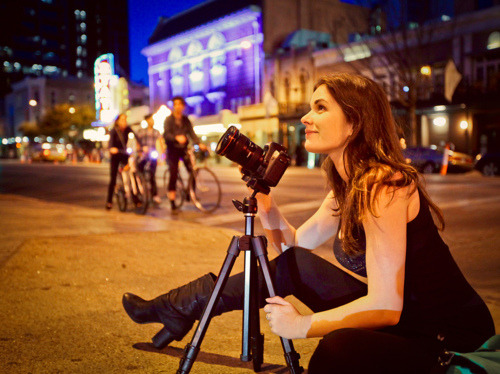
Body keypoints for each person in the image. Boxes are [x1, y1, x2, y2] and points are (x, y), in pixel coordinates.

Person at [122, 73, 495, 372]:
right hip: (405, 318)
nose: (305, 118)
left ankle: (178, 309)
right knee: (296, 266)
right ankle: (179, 306)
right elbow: (292, 250)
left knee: (337, 349)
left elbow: (385, 304)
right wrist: (265, 199)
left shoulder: (384, 184)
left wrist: (301, 326)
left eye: (320, 108)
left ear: (354, 123)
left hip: (445, 336)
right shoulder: (350, 184)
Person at [163, 96, 206, 212]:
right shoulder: (169, 120)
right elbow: (166, 134)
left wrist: (199, 143)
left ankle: (190, 192)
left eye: (180, 104)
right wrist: (176, 138)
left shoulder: (186, 120)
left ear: (183, 106)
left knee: (193, 170)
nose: (178, 106)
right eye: (175, 104)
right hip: (172, 150)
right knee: (173, 173)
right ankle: (172, 200)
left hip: (184, 149)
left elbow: (192, 133)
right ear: (173, 106)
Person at [105, 113, 141, 210]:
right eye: (122, 119)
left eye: (125, 119)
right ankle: (109, 201)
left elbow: (136, 136)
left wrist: (140, 145)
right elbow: (111, 143)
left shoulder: (128, 129)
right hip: (116, 155)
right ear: (117, 121)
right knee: (113, 179)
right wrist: (112, 149)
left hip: (124, 154)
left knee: (132, 174)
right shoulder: (114, 131)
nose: (124, 121)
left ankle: (136, 198)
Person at [136, 113, 164, 204]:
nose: (152, 121)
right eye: (150, 119)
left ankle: (154, 195)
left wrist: (162, 154)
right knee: (139, 174)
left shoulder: (156, 132)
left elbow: (160, 143)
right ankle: (139, 192)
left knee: (152, 176)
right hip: (143, 155)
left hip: (152, 155)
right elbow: (138, 143)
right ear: (147, 121)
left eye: (153, 119)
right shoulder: (141, 131)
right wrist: (140, 151)